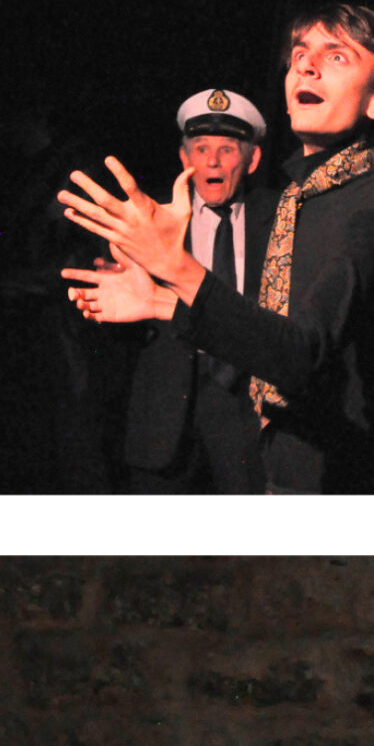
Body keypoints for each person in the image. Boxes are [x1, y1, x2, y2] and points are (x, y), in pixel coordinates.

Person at [60, 4, 374, 493]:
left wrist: (176, 267)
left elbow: (298, 357)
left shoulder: (370, 212)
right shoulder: (306, 198)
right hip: (281, 465)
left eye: (336, 56)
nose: (306, 66)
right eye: (300, 54)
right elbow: (267, 333)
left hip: (338, 485)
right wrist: (160, 302)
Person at [120, 89, 271, 494]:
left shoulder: (282, 217)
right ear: (185, 158)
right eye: (201, 148)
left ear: (252, 159)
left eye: (227, 149)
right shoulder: (149, 219)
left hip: (246, 407)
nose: (212, 161)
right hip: (165, 405)